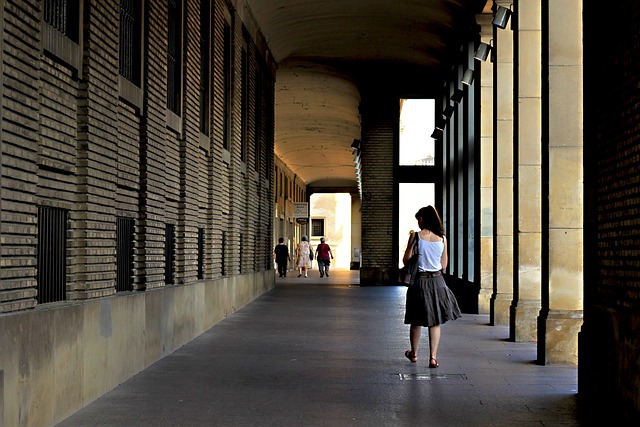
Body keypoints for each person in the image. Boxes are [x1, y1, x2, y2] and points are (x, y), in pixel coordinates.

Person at [403, 205, 461, 368]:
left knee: (416, 320)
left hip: (419, 282)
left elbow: (406, 260)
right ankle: (433, 358)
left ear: (423, 219)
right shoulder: (442, 238)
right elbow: (443, 265)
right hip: (437, 281)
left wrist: (413, 250)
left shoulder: (416, 236)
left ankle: (414, 354)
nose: (418, 222)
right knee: (434, 321)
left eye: (419, 219)